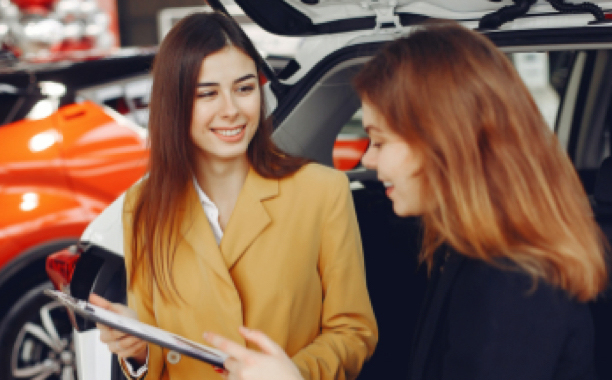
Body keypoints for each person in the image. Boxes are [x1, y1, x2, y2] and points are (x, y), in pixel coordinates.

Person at [204, 21, 609, 380]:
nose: (367, 158)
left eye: (379, 140)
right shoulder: (471, 251)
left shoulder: (515, 285)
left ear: (443, 144)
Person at [89, 11, 378, 380]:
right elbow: (157, 351)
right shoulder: (143, 207)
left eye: (244, 89)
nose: (231, 110)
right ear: (174, 104)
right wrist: (140, 349)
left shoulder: (322, 192)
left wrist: (294, 374)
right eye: (207, 94)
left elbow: (354, 332)